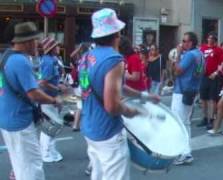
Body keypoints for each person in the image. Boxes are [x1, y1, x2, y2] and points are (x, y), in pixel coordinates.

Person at [78, 8, 159, 180]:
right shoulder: (114, 60)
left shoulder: (86, 57)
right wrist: (134, 112)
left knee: (98, 175)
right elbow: (112, 106)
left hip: (90, 128)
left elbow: (116, 87)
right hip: (108, 132)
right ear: (116, 33)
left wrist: (145, 97)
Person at [0, 21, 62, 180]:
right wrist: (54, 100)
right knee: (32, 169)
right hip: (19, 121)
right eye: (35, 40)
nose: (38, 44)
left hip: (8, 118)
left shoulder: (6, 56)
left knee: (20, 164)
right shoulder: (21, 61)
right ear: (26, 42)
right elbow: (33, 94)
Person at [171, 32, 203, 165]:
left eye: (184, 41)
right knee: (185, 122)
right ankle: (186, 151)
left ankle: (184, 153)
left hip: (182, 90)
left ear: (191, 42)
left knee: (179, 123)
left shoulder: (189, 55)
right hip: (191, 90)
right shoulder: (199, 54)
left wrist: (177, 55)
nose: (182, 44)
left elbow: (178, 71)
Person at [38, 37, 67, 163]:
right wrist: (58, 88)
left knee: (54, 124)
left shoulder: (53, 60)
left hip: (52, 97)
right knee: (51, 125)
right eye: (56, 46)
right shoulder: (48, 62)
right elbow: (43, 82)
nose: (59, 48)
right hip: (47, 97)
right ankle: (45, 152)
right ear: (51, 49)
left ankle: (51, 149)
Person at [198, 32, 223, 130]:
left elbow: (222, 63)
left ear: (215, 40)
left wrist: (215, 73)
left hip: (213, 77)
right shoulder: (202, 48)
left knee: (212, 99)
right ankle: (205, 118)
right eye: (209, 38)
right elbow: (199, 61)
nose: (210, 40)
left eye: (212, 38)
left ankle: (211, 119)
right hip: (204, 76)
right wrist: (198, 72)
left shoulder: (219, 50)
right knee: (203, 98)